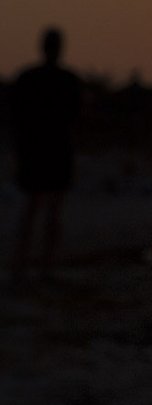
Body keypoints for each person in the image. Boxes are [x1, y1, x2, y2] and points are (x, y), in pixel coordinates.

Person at [10, 26, 84, 288]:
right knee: (50, 211)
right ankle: (42, 267)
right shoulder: (67, 80)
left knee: (35, 210)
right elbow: (77, 117)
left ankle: (25, 266)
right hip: (53, 150)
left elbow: (15, 116)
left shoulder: (28, 78)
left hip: (36, 150)